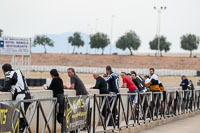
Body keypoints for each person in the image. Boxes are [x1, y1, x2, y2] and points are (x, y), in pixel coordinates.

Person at [0, 64, 31, 131]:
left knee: (20, 119)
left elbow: (6, 88)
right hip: (28, 96)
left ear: (3, 70)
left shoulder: (9, 73)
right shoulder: (18, 72)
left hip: (21, 97)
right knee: (22, 118)